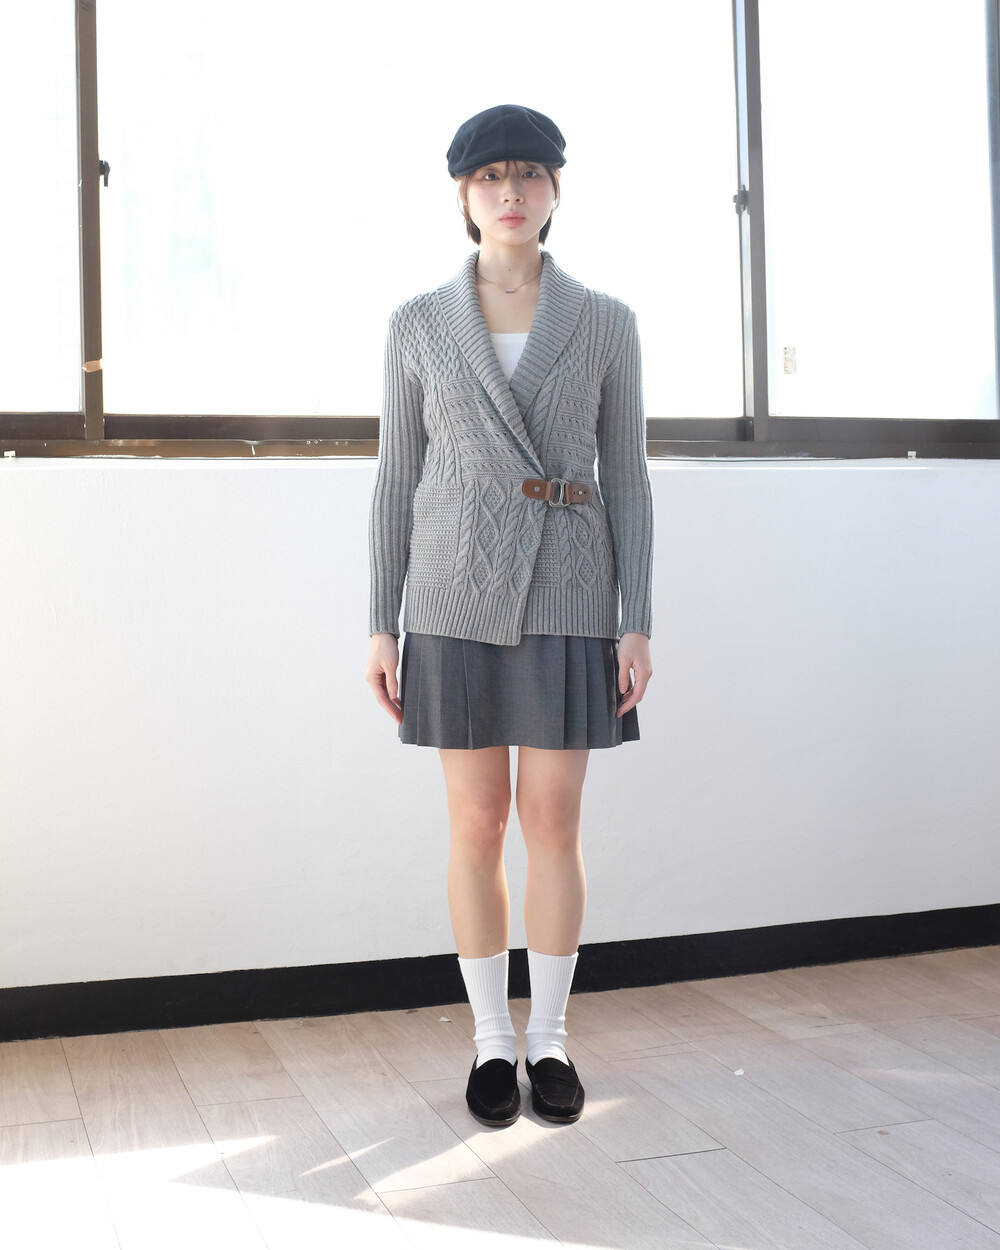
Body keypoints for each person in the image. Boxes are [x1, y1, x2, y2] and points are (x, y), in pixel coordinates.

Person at [366, 103, 654, 1128]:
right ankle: (492, 1038)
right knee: (477, 820)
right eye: (490, 176)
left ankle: (552, 1037)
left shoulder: (605, 320)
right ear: (463, 195)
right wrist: (380, 621)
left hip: (571, 589)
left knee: (553, 822)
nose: (511, 192)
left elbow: (627, 477)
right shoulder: (417, 323)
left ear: (556, 190)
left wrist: (637, 617)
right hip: (452, 592)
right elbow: (396, 480)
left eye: (529, 173)